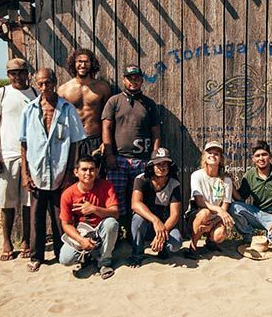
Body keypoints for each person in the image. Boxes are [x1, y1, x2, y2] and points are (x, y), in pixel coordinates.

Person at [20, 67, 86, 272]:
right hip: (37, 172)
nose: (44, 87)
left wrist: (70, 173)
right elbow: (23, 143)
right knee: (37, 216)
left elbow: (75, 142)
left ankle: (61, 253)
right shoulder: (29, 109)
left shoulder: (67, 109)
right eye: (40, 83)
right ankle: (37, 256)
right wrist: (25, 173)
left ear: (55, 82)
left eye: (47, 82)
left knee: (61, 216)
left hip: (60, 173)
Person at [0, 58, 38, 261]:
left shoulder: (35, 94)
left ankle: (26, 240)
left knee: (27, 202)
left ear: (28, 73)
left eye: (21, 72)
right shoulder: (1, 94)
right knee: (6, 202)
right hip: (8, 155)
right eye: (13, 73)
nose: (17, 76)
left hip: (32, 156)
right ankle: (7, 241)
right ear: (8, 75)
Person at [101, 65, 161, 231]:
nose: (133, 81)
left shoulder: (149, 104)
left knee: (141, 199)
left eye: (137, 78)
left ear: (141, 80)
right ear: (123, 80)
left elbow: (156, 132)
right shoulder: (114, 101)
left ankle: (138, 235)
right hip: (119, 159)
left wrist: (154, 158)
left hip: (142, 161)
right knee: (116, 199)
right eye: (130, 78)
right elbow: (106, 128)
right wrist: (109, 155)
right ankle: (117, 233)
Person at [59, 155, 119, 279]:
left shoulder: (106, 186)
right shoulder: (68, 194)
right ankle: (88, 256)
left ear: (97, 171)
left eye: (92, 169)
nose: (88, 173)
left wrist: (94, 209)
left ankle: (104, 262)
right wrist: (81, 240)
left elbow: (115, 213)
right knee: (65, 259)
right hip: (82, 232)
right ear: (76, 172)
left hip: (101, 229)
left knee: (111, 223)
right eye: (84, 169)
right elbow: (66, 224)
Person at [230, 140, 272, 247]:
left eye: (264, 154)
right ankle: (249, 236)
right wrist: (231, 184)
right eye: (257, 156)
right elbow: (240, 199)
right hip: (257, 214)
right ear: (253, 159)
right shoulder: (249, 175)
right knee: (234, 207)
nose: (261, 158)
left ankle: (268, 238)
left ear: (270, 156)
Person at [130, 148, 183, 267]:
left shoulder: (174, 183)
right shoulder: (141, 179)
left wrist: (161, 233)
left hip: (165, 226)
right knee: (138, 219)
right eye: (158, 164)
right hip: (147, 225)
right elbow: (135, 204)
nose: (162, 167)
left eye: (165, 164)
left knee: (176, 243)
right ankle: (137, 255)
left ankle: (162, 249)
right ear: (151, 166)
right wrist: (155, 220)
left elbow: (175, 214)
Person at [58, 48, 111, 159]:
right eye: (79, 61)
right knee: (73, 174)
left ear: (92, 64)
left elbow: (108, 118)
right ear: (74, 64)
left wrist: (105, 142)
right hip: (73, 139)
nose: (83, 65)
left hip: (95, 139)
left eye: (86, 62)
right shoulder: (63, 90)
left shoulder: (102, 88)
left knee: (95, 174)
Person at [186, 141, 234, 259]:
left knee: (220, 236)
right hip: (198, 214)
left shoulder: (226, 180)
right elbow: (199, 202)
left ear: (221, 159)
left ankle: (211, 241)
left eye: (216, 154)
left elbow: (225, 207)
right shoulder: (197, 175)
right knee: (205, 212)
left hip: (216, 217)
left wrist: (213, 223)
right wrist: (218, 209)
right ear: (204, 157)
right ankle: (193, 246)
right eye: (210, 153)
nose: (213, 155)